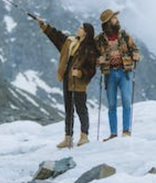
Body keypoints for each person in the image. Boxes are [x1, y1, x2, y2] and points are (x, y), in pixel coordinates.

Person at [37, 18, 98, 148]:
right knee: (68, 109)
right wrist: (45, 27)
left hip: (79, 82)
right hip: (67, 78)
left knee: (81, 108)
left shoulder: (90, 49)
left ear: (86, 33)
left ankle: (84, 136)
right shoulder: (70, 41)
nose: (78, 29)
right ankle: (68, 138)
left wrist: (81, 73)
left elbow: (92, 69)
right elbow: (57, 36)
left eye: (81, 28)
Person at [95, 9, 141, 141]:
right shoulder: (99, 40)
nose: (117, 20)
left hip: (124, 72)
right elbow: (93, 58)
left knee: (127, 100)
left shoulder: (124, 35)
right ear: (108, 22)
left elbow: (135, 49)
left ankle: (126, 130)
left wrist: (136, 55)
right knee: (111, 105)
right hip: (109, 74)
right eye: (114, 18)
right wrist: (99, 61)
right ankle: (113, 133)